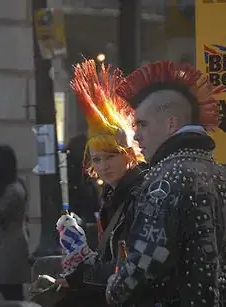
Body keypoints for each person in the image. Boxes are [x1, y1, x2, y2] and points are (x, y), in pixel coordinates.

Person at [106, 60, 226, 306]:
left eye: (142, 124)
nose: (136, 135)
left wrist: (113, 289)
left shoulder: (164, 179)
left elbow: (144, 265)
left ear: (170, 123)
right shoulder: (223, 176)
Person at [47, 59, 147, 307]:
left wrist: (80, 277)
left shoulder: (140, 194)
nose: (104, 165)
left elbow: (130, 262)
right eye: (97, 159)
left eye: (111, 155)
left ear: (129, 155)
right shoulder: (113, 194)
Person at [0, 145, 32, 302]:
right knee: (12, 293)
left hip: (8, 250)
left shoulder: (13, 191)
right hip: (3, 249)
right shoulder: (10, 188)